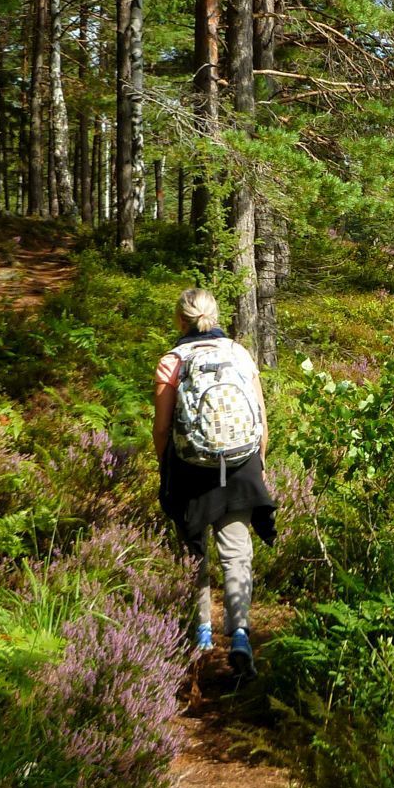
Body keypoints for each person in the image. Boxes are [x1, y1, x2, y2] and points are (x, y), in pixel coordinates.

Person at [153, 288, 277, 676]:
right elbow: (262, 422)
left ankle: (202, 635)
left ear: (180, 320)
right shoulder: (240, 354)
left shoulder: (172, 361)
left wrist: (167, 466)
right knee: (237, 553)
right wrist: (255, 464)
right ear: (215, 315)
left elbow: (161, 427)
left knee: (195, 554)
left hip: (191, 468)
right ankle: (239, 636)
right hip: (240, 466)